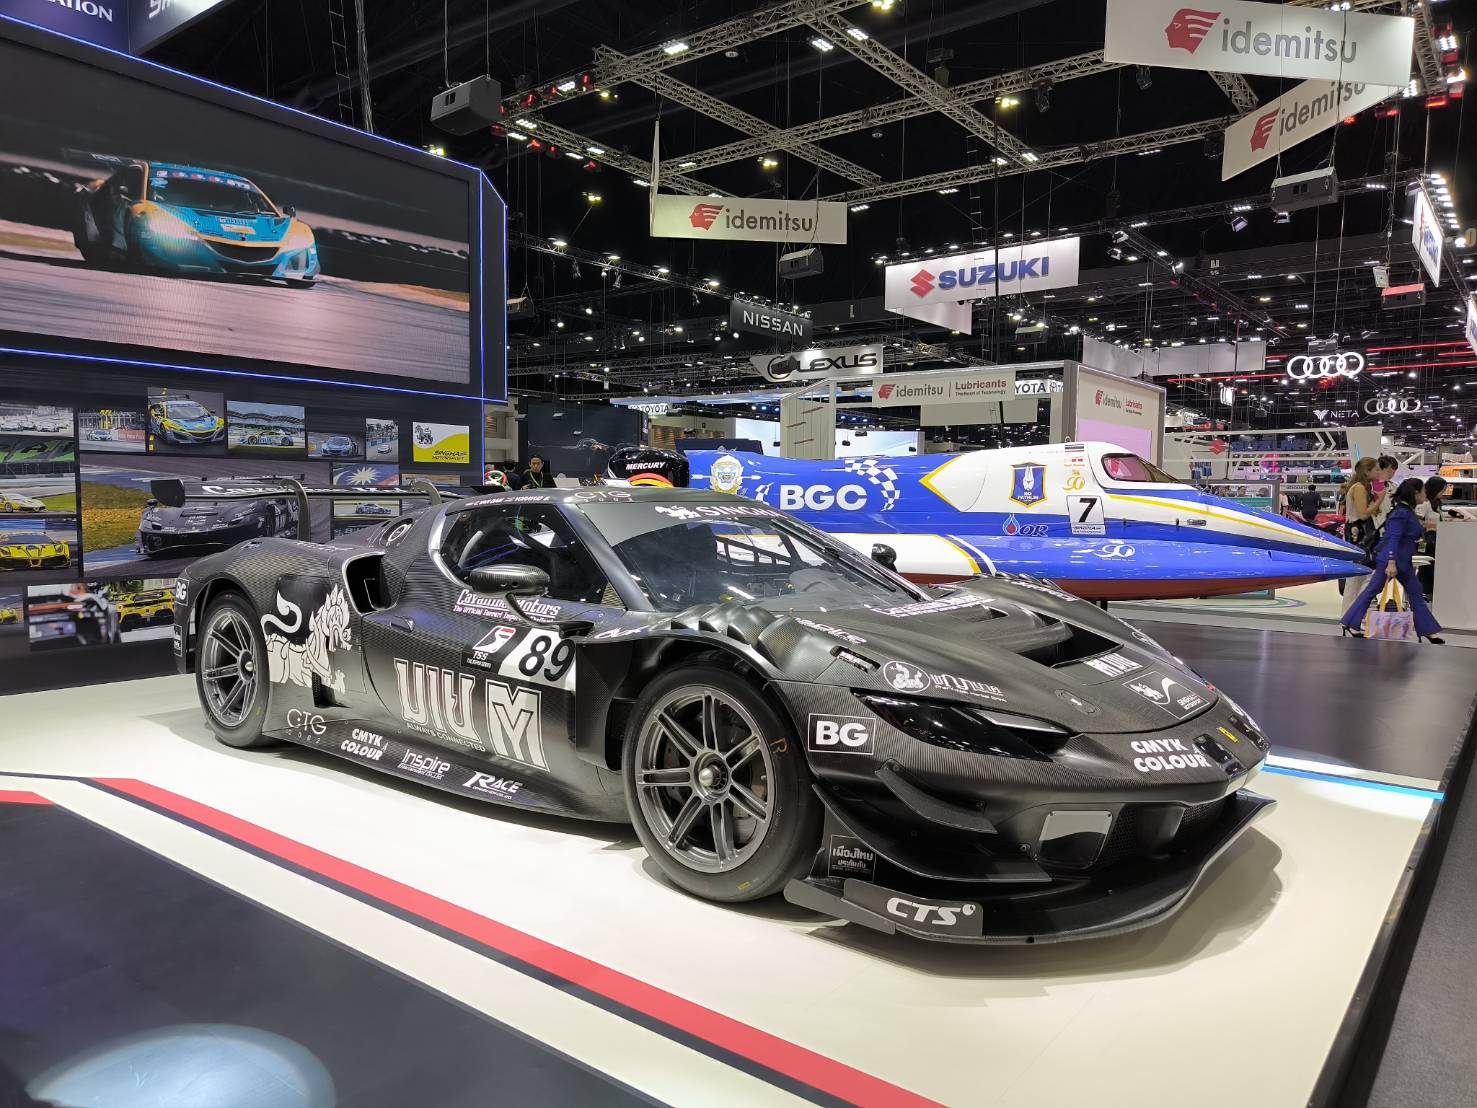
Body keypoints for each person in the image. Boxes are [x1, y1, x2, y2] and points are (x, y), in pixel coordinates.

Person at [1341, 477, 1444, 643]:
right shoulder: (1401, 513)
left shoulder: (1406, 510)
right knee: (1372, 590)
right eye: (1423, 490)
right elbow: (1394, 539)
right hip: (1391, 560)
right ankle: (1350, 622)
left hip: (1403, 560)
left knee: (1415, 592)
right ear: (1416, 492)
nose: (1426, 493)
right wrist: (1391, 561)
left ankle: (1427, 629)